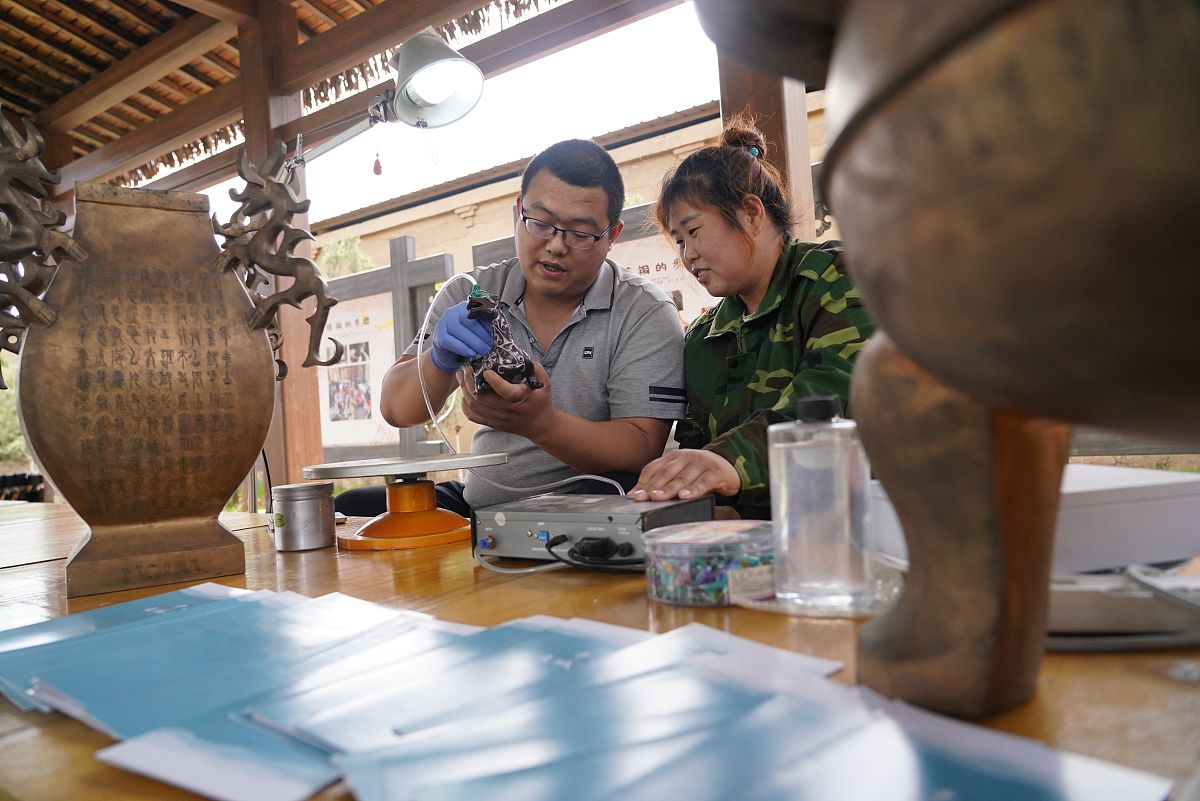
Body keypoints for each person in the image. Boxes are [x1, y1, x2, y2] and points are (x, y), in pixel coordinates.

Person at [376, 139, 686, 517]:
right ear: (518, 211)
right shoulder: (470, 294)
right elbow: (396, 409)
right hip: (483, 509)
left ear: (612, 235)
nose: (556, 246)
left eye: (580, 233)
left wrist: (543, 425)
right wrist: (438, 358)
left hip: (589, 517)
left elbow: (642, 446)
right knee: (355, 509)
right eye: (540, 223)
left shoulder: (643, 312)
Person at [629, 115, 875, 519]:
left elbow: (835, 400)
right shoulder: (703, 337)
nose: (686, 254)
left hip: (846, 533)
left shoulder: (836, 280)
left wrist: (726, 463)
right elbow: (697, 448)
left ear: (751, 214)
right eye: (678, 240)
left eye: (693, 231)